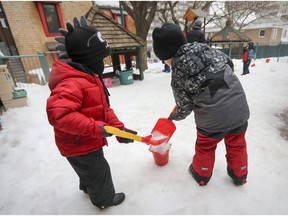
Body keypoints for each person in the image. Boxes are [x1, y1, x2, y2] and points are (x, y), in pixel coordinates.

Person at [46, 16, 137, 210]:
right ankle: (104, 199)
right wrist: (96, 127)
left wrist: (121, 131)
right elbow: (58, 115)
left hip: (83, 139)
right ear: (87, 59)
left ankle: (88, 187)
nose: (103, 63)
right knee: (98, 170)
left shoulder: (88, 78)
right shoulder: (72, 82)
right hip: (79, 142)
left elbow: (103, 111)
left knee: (88, 168)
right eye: (100, 59)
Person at [152, 23, 250, 186]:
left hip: (212, 120)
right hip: (238, 109)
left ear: (168, 55)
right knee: (237, 143)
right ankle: (240, 174)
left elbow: (184, 106)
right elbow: (229, 62)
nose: (167, 64)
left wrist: (175, 116)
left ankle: (201, 174)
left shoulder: (178, 73)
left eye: (165, 60)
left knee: (205, 146)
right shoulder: (206, 49)